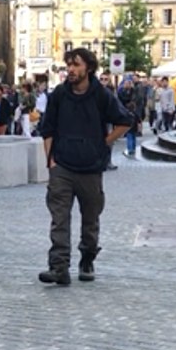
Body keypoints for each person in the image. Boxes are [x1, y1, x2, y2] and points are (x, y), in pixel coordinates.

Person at [37, 47, 132, 285]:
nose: (71, 69)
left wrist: (104, 144)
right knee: (59, 218)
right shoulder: (59, 94)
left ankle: (87, 257)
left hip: (90, 168)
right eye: (69, 65)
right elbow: (47, 129)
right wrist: (50, 161)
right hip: (62, 166)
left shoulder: (101, 95)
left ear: (88, 68)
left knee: (90, 219)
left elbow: (125, 121)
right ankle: (58, 267)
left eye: (76, 65)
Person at [117, 75, 144, 157]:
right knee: (132, 134)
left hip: (129, 115)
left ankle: (130, 149)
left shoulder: (130, 91)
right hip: (132, 114)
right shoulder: (127, 91)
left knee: (130, 134)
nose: (128, 84)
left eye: (129, 82)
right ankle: (132, 149)